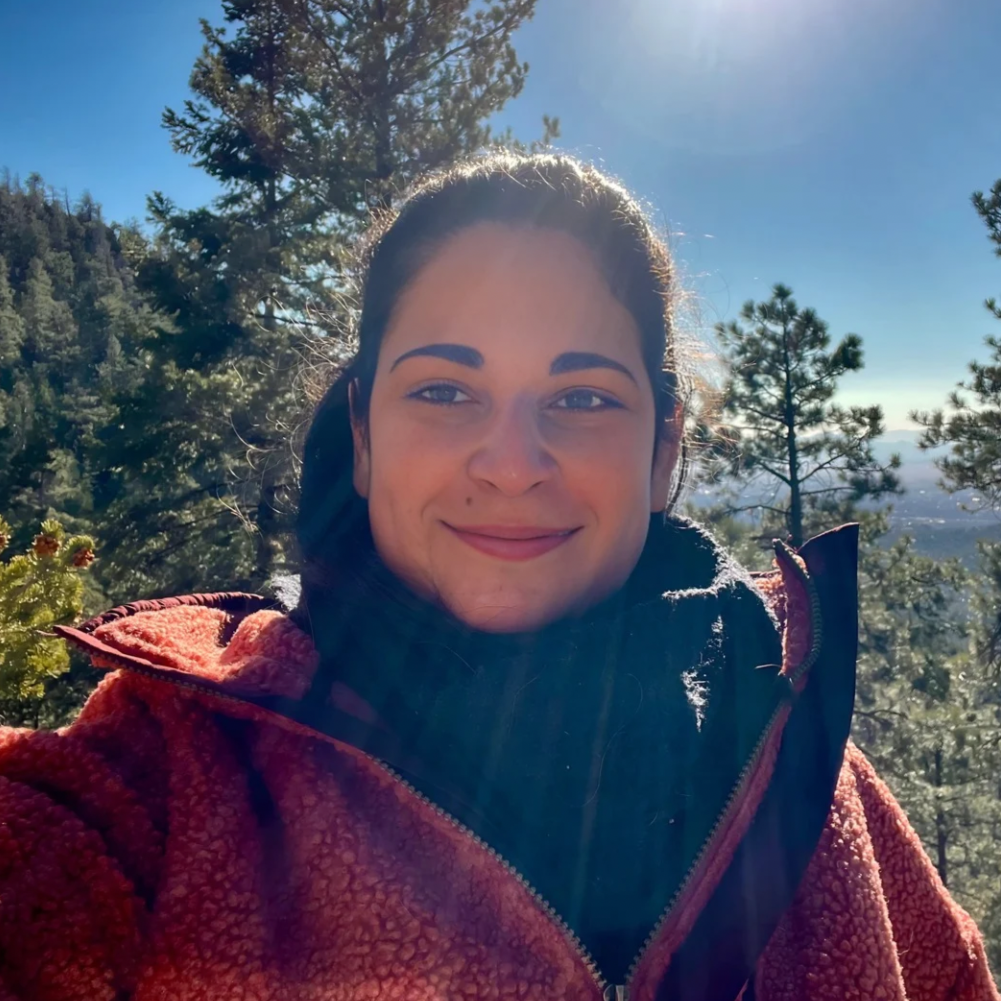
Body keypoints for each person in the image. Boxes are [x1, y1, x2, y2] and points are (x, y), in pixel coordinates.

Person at [0, 153, 996, 1001]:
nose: (511, 461)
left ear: (661, 449)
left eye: (580, 395)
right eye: (443, 388)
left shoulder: (805, 776)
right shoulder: (162, 778)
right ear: (361, 433)